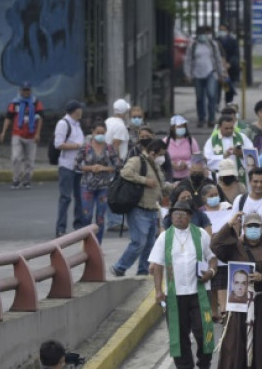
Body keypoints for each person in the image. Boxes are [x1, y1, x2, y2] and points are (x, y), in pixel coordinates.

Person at [211, 211, 262, 369]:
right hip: (237, 305)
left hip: (260, 304)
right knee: (234, 345)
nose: (253, 229)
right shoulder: (234, 246)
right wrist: (230, 224)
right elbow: (215, 245)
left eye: (256, 226)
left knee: (260, 345)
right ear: (243, 227)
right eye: (249, 225)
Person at [148, 200, 217, 369]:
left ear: (190, 217)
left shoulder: (201, 234)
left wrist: (211, 272)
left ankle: (204, 363)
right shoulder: (165, 237)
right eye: (175, 214)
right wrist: (158, 290)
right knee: (179, 335)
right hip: (175, 294)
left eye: (183, 214)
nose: (179, 217)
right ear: (171, 217)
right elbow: (157, 264)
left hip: (199, 292)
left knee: (203, 332)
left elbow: (212, 258)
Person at [112, 140, 174, 277]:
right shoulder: (136, 161)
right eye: (161, 155)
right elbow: (125, 173)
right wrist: (144, 180)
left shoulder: (155, 166)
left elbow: (161, 187)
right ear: (153, 153)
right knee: (139, 242)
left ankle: (143, 270)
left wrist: (173, 187)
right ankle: (120, 266)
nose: (162, 158)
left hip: (152, 208)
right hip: (139, 208)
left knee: (150, 244)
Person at [75, 121, 119, 242]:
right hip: (87, 185)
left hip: (103, 186)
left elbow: (117, 165)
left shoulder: (109, 148)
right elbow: (76, 165)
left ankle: (98, 245)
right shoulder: (85, 147)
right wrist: (90, 168)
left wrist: (104, 168)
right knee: (86, 216)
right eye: (97, 132)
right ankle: (87, 242)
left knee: (100, 217)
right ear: (92, 133)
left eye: (102, 133)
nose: (100, 135)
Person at [0, 82, 43, 189]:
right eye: (24, 90)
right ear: (20, 91)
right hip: (17, 134)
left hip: (32, 136)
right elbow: (8, 118)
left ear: (30, 91)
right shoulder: (14, 103)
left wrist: (38, 133)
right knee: (16, 158)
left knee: (30, 160)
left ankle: (27, 180)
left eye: (27, 90)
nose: (26, 92)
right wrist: (3, 132)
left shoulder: (36, 103)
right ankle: (16, 180)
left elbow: (40, 118)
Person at [54, 100, 86, 237]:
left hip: (79, 166)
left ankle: (78, 225)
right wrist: (78, 146)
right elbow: (58, 144)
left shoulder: (77, 124)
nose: (82, 112)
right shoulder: (63, 124)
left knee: (79, 197)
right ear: (76, 111)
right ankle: (61, 228)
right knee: (65, 197)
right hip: (67, 165)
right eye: (80, 109)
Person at [184, 25, 226, 127]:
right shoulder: (193, 46)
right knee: (199, 98)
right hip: (197, 74)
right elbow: (188, 60)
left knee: (211, 95)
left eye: (206, 34)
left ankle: (211, 119)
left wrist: (221, 73)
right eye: (202, 34)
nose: (204, 36)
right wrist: (188, 74)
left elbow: (218, 59)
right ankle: (201, 119)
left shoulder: (212, 44)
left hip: (211, 73)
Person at [215, 22, 240, 105]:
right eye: (220, 30)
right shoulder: (215, 41)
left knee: (228, 88)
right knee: (216, 88)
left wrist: (230, 64)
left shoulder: (232, 41)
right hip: (218, 68)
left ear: (227, 31)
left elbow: (236, 54)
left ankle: (228, 103)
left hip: (229, 69)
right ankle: (216, 104)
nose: (221, 31)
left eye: (223, 30)